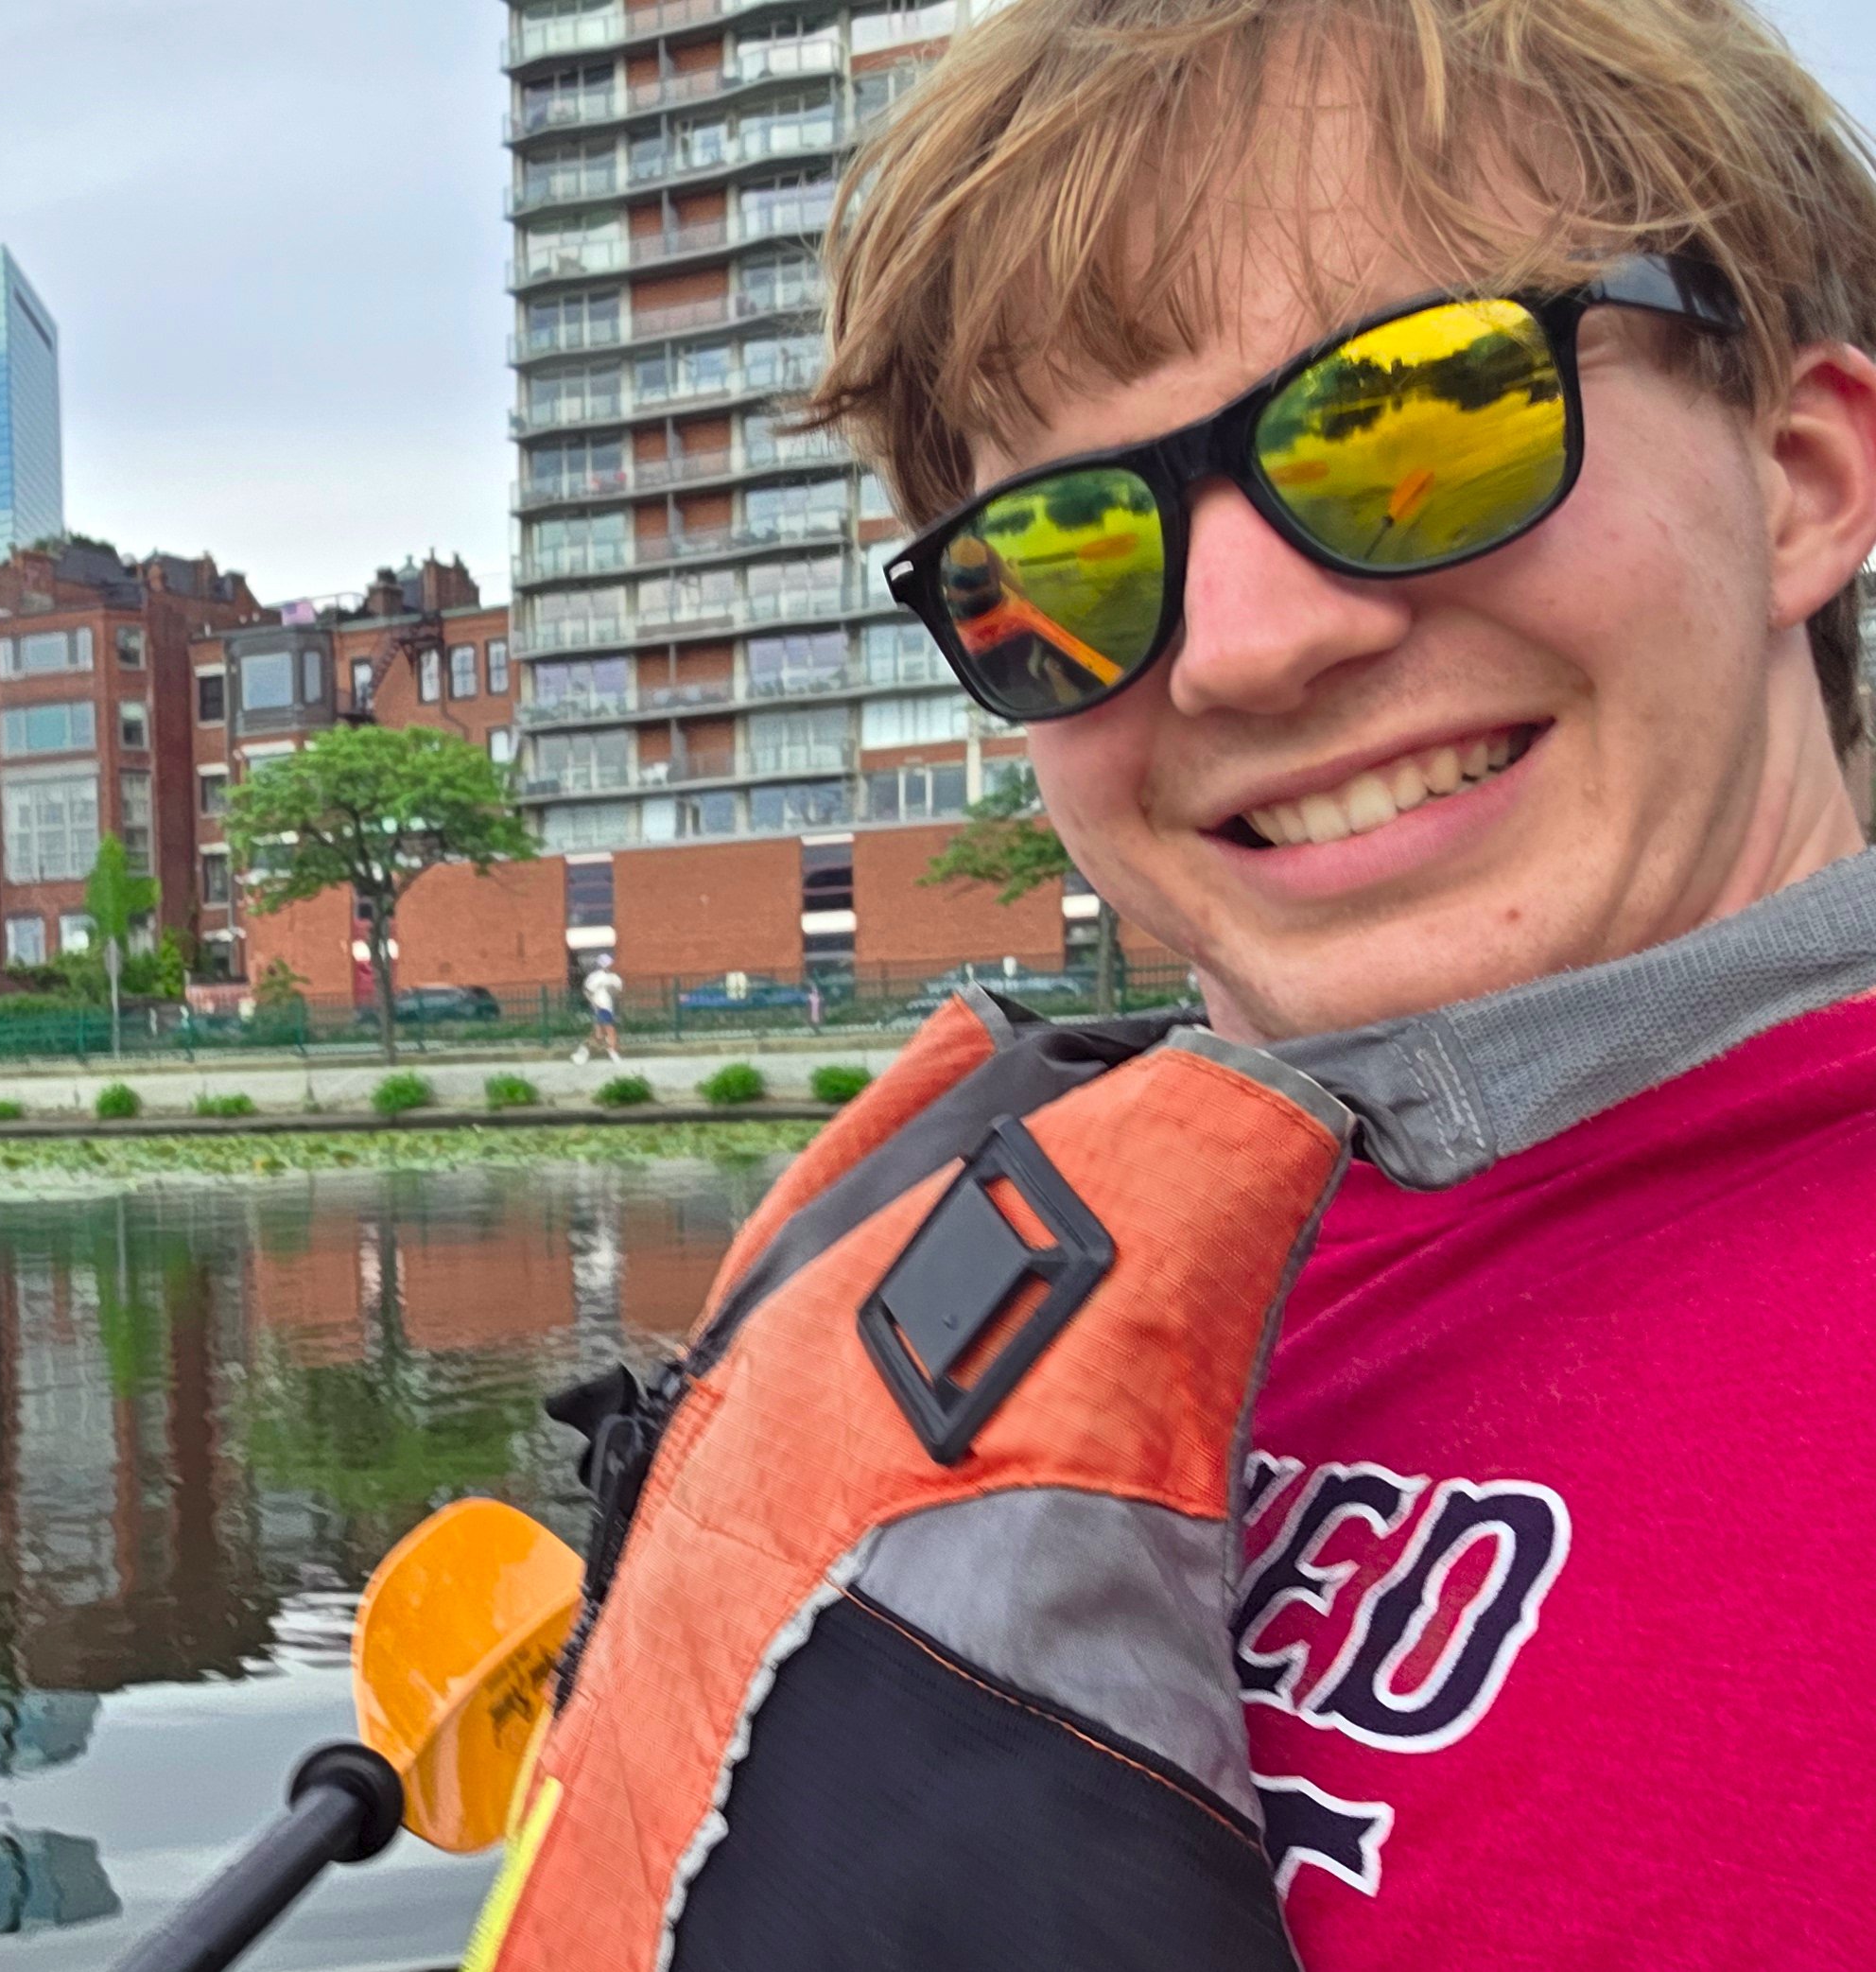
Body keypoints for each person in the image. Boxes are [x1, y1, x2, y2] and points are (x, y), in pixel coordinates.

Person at [486, 3, 1876, 1967]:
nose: (1234, 649)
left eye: (1411, 423)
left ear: (1805, 478)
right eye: (1066, 553)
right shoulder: (1020, 1232)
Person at [574, 953, 623, 1066]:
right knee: (610, 1030)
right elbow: (588, 991)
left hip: (605, 1007)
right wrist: (594, 1003)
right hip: (602, 1007)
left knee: (599, 1034)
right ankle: (613, 1052)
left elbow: (617, 990)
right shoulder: (598, 977)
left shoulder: (609, 977)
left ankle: (583, 1052)